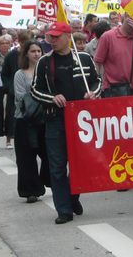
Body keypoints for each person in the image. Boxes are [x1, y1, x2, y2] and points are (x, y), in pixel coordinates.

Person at [31, 21, 100, 224]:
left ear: (67, 36)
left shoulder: (85, 58)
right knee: (57, 167)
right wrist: (52, 97)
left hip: (82, 121)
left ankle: (72, 196)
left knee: (83, 164)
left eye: (56, 37)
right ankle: (63, 210)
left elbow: (98, 81)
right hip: (56, 121)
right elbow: (35, 90)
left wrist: (92, 93)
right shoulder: (45, 62)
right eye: (50, 37)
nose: (52, 40)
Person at [13, 40, 50, 203]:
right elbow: (20, 97)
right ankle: (30, 190)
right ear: (26, 54)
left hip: (45, 119)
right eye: (32, 51)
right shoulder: (20, 74)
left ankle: (47, 179)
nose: (36, 54)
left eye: (38, 51)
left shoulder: (46, 71)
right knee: (26, 157)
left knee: (49, 153)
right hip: (25, 120)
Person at [94, 15, 133, 96]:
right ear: (125, 17)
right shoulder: (108, 36)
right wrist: (102, 84)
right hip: (114, 90)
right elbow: (97, 62)